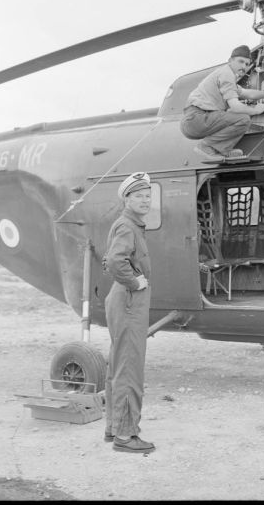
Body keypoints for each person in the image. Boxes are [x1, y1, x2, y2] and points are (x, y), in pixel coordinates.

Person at [102, 172, 154, 453]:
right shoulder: (127, 226)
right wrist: (134, 281)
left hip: (124, 300)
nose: (145, 201)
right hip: (129, 300)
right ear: (126, 198)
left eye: (148, 196)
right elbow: (113, 261)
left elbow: (110, 258)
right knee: (129, 367)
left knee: (119, 364)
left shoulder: (129, 224)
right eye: (139, 196)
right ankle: (125, 435)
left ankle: (114, 427)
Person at [180, 44, 264, 159]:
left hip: (197, 120)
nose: (244, 66)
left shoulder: (227, 77)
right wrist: (255, 110)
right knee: (243, 119)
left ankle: (222, 151)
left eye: (246, 64)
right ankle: (207, 147)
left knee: (238, 117)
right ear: (230, 61)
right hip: (196, 119)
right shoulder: (226, 74)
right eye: (240, 62)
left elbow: (247, 93)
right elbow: (236, 107)